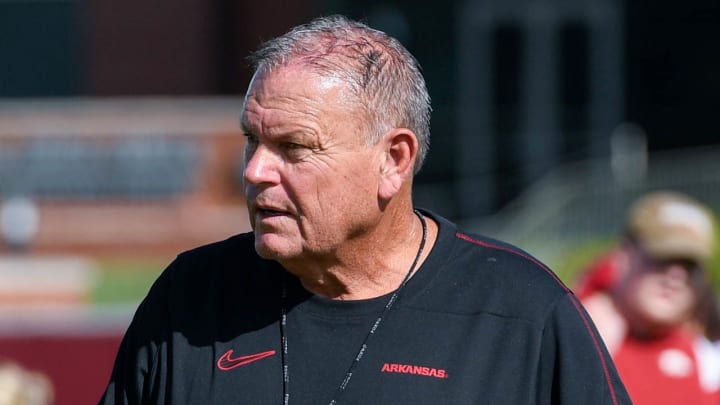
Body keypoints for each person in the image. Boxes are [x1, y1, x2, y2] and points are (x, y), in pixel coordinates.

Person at [100, 15, 630, 404]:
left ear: (393, 161)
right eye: (252, 141)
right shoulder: (191, 298)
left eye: (294, 147)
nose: (255, 170)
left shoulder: (521, 312)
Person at [575, 191, 720, 404]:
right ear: (624, 255)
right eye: (662, 257)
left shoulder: (706, 359)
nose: (676, 276)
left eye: (689, 265)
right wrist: (584, 356)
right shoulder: (575, 330)